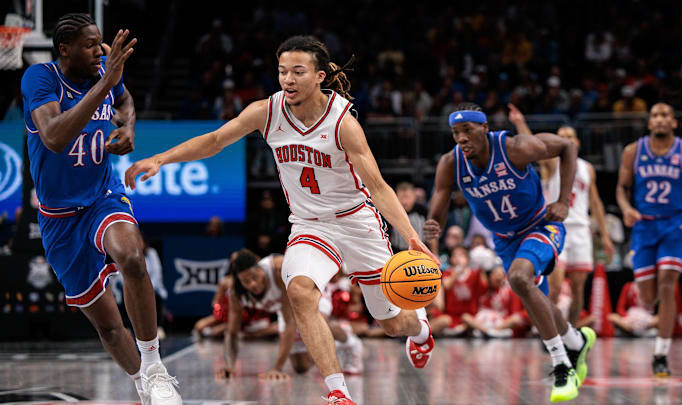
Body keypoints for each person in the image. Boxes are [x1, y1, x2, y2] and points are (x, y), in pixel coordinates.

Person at [125, 35, 438, 405]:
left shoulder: (343, 122)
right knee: (301, 291)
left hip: (356, 222)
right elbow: (214, 141)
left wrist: (411, 236)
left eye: (298, 72)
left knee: (389, 323)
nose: (287, 79)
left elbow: (379, 186)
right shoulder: (266, 111)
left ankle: (419, 330)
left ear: (320, 76)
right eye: (282, 71)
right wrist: (161, 158)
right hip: (309, 224)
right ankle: (339, 392)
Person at [20, 13, 181, 404]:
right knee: (109, 328)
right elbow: (55, 137)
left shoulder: (104, 74)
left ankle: (155, 367)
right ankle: (143, 384)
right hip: (58, 218)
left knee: (131, 255)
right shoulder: (40, 79)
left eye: (100, 42)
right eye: (90, 44)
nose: (99, 51)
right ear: (65, 50)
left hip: (101, 197)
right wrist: (106, 82)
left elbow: (123, 100)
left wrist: (128, 128)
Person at [423, 103, 595, 402]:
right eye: (455, 133)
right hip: (504, 240)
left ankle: (561, 364)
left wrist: (564, 200)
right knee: (532, 294)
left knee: (518, 278)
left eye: (467, 130)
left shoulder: (514, 147)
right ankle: (575, 340)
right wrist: (432, 226)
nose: (461, 138)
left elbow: (567, 147)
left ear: (484, 128)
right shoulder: (451, 164)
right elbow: (438, 202)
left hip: (540, 226)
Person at [616, 102, 682, 376]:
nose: (659, 119)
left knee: (668, 284)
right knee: (648, 296)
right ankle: (659, 326)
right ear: (649, 123)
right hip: (644, 226)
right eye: (654, 115)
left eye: (665, 115)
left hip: (675, 224)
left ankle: (661, 353)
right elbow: (622, 188)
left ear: (674, 122)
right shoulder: (632, 151)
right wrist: (626, 209)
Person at [508, 105, 615, 327]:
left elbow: (595, 203)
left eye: (570, 136)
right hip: (556, 228)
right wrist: (520, 123)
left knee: (578, 289)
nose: (567, 139)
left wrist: (605, 236)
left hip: (581, 230)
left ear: (577, 142)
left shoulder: (588, 169)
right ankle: (551, 331)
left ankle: (573, 333)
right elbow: (531, 145)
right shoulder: (552, 162)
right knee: (555, 286)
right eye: (562, 137)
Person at [217, 249, 363, 380]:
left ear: (260, 269)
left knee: (315, 327)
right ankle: (332, 345)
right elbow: (232, 333)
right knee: (301, 367)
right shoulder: (236, 294)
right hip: (286, 309)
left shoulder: (278, 270)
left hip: (311, 295)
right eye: (246, 281)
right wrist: (229, 366)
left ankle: (350, 342)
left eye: (255, 277)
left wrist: (277, 368)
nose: (252, 284)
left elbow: (291, 322)